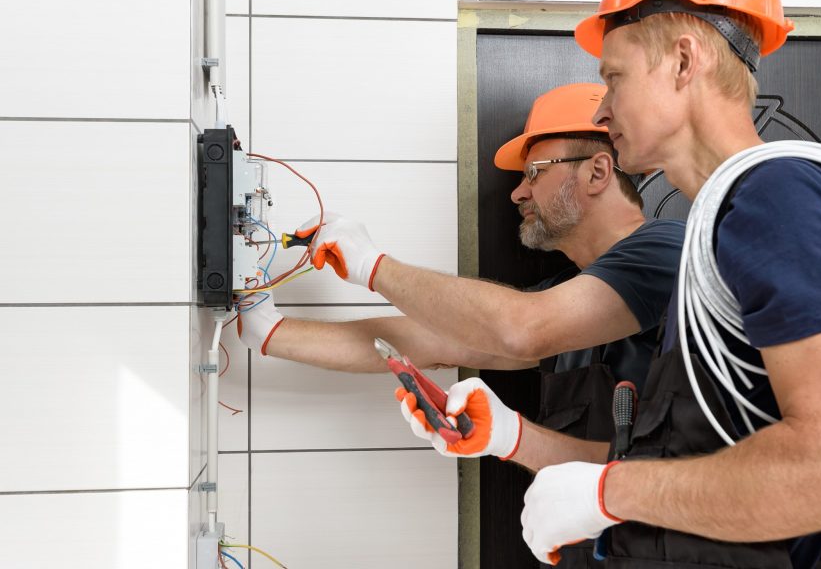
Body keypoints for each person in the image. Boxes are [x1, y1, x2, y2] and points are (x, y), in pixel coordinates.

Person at [396, 0, 821, 567]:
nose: (604, 109)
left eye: (614, 77)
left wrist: (610, 492)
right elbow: (690, 466)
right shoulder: (713, 242)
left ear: (683, 62)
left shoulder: (780, 198)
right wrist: (511, 436)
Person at [238, 82, 685, 567]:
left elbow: (520, 327)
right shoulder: (567, 303)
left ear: (598, 171)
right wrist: (272, 332)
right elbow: (427, 341)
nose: (518, 191)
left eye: (534, 172)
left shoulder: (666, 251)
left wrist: (372, 265)